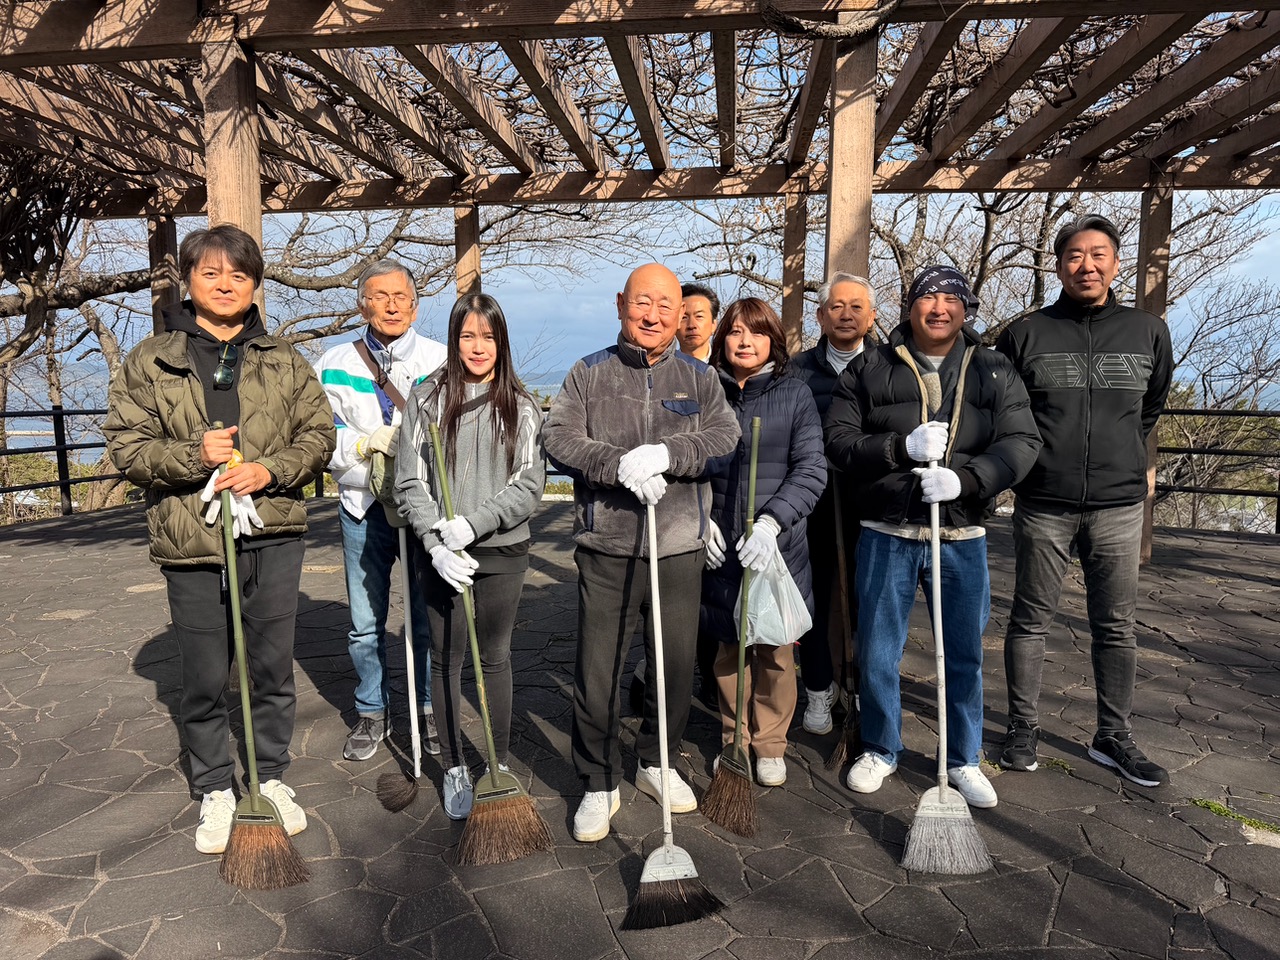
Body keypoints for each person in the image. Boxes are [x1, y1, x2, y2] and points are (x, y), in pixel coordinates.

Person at [104, 224, 336, 855]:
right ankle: (213, 785)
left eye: (239, 274)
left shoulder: (284, 360)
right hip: (192, 534)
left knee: (271, 665)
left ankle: (272, 775)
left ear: (255, 284)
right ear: (188, 281)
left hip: (272, 529)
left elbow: (319, 435)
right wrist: (192, 455)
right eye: (210, 273)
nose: (225, 284)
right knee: (204, 672)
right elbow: (126, 446)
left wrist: (271, 471)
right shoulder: (151, 360)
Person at [825, 265, 1041, 809]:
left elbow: (1021, 442)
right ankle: (881, 747)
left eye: (951, 298)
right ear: (909, 307)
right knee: (878, 651)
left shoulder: (994, 369)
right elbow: (839, 440)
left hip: (961, 533)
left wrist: (967, 480)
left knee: (963, 653)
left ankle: (963, 757)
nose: (939, 307)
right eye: (927, 297)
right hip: (887, 530)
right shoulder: (870, 367)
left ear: (966, 309)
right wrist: (899, 449)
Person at [543, 263, 739, 843]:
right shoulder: (588, 373)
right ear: (620, 303)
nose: (652, 316)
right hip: (607, 545)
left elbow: (725, 437)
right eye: (641, 303)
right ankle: (598, 778)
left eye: (665, 306)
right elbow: (558, 438)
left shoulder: (699, 378)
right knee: (598, 668)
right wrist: (617, 466)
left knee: (672, 665)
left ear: (680, 316)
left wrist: (669, 455)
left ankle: (658, 760)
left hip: (677, 546)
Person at [996, 214, 1174, 786]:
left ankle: (1113, 736)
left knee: (1116, 625)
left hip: (1119, 505)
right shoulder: (1026, 333)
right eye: (1075, 255)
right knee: (1030, 619)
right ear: (1059, 265)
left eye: (1099, 255)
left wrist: (1123, 460)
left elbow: (1149, 408)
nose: (1087, 265)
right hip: (1043, 500)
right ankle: (1021, 727)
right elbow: (1006, 412)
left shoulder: (1147, 332)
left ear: (1116, 264)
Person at [394, 293, 545, 819]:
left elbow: (529, 485)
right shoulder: (427, 399)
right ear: (454, 339)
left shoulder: (521, 406)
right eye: (467, 336)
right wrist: (436, 543)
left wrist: (474, 524)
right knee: (447, 656)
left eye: (488, 336)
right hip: (441, 554)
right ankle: (456, 764)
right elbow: (410, 481)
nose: (478, 347)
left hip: (502, 549)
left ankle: (496, 763)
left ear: (502, 341)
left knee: (495, 656)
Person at [317, 260, 446, 762]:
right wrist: (364, 445)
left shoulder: (440, 359)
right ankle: (372, 710)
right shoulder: (334, 362)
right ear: (361, 304)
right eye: (379, 296)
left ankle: (426, 707)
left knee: (424, 616)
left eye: (401, 297)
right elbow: (319, 435)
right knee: (364, 621)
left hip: (422, 509)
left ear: (415, 306)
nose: (392, 306)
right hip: (361, 504)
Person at [700, 298, 826, 785]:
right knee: (729, 649)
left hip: (778, 549)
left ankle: (771, 742)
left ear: (773, 340)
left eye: (756, 332)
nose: (745, 342)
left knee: (775, 650)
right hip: (721, 546)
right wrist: (700, 518)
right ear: (722, 339)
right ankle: (734, 737)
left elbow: (811, 469)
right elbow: (688, 463)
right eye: (735, 332)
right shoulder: (705, 390)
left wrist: (773, 522)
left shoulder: (794, 394)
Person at [789, 273, 878, 735]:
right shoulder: (798, 370)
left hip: (872, 503)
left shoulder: (887, 366)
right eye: (836, 307)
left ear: (872, 317)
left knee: (869, 602)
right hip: (816, 505)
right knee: (816, 603)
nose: (846, 315)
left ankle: (862, 689)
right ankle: (819, 689)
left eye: (856, 307)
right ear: (820, 317)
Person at [676, 281, 720, 362]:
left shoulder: (728, 367)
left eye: (699, 316)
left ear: (713, 324)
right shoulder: (662, 367)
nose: (691, 325)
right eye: (684, 317)